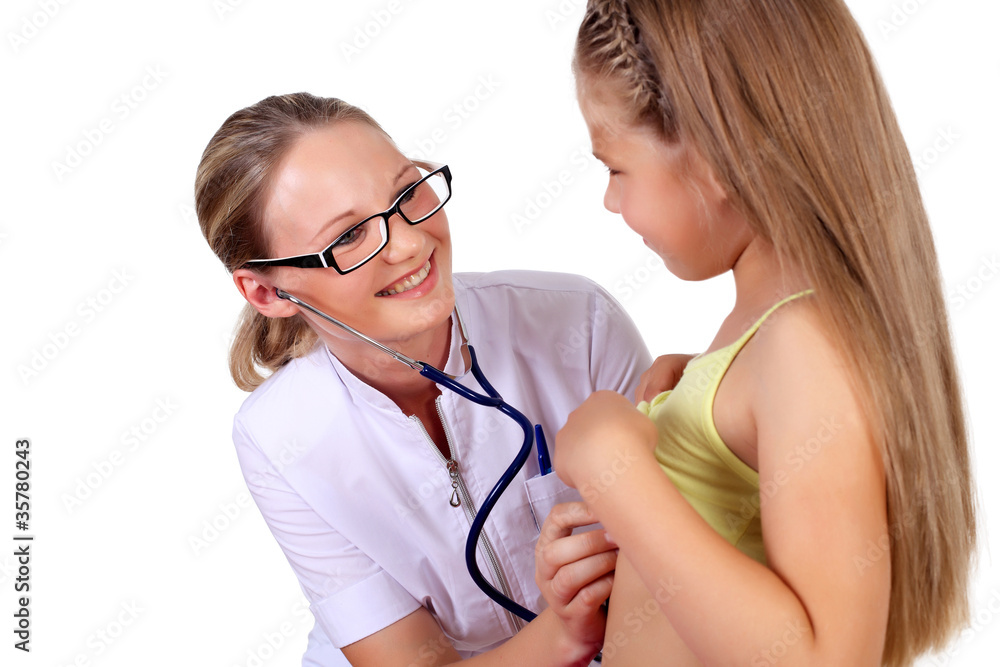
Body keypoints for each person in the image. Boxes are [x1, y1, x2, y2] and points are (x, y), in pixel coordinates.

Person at [553, 1, 978, 666]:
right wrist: (702, 395)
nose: (611, 200)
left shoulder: (804, 347)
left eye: (615, 168)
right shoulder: (779, 337)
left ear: (716, 161)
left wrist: (619, 474)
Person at [194, 92, 674, 666]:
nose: (411, 242)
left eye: (406, 195)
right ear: (268, 292)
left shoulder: (580, 323)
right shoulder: (277, 437)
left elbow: (676, 565)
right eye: (347, 237)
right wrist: (567, 632)